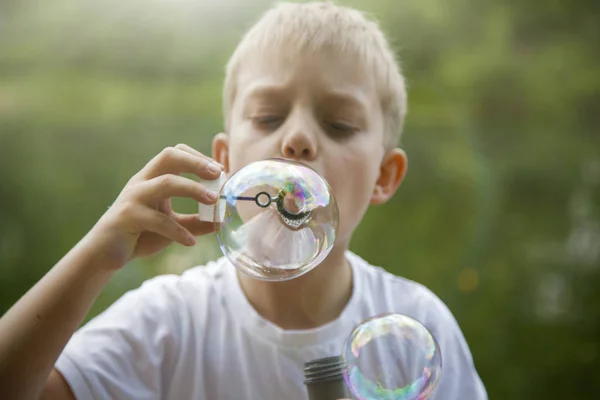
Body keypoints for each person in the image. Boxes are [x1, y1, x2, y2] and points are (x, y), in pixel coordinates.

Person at [0, 2, 487, 399]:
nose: (297, 138)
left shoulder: (418, 328)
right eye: (268, 117)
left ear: (384, 175)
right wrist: (94, 259)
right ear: (226, 162)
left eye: (338, 124)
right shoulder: (171, 323)